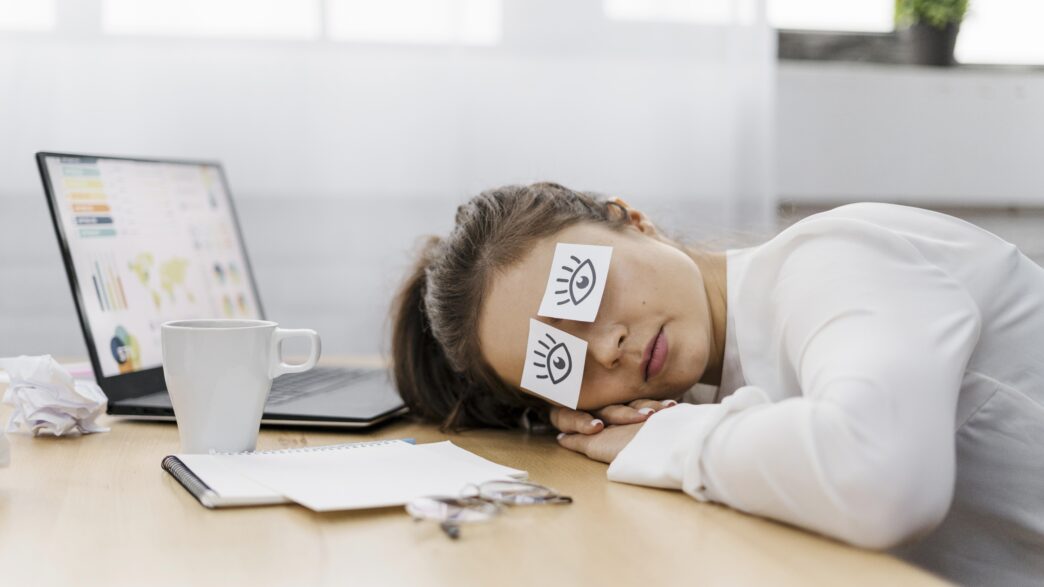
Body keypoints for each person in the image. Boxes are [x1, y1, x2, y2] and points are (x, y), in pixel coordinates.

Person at [391, 182, 1044, 585]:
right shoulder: (705, 388)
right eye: (560, 362)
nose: (605, 345)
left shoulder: (831, 259)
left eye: (585, 288)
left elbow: (884, 481)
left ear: (632, 218)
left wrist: (673, 439)